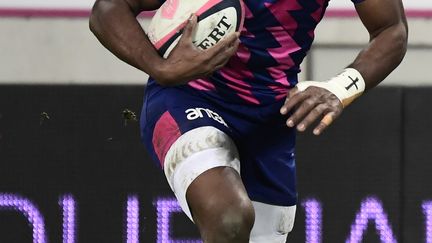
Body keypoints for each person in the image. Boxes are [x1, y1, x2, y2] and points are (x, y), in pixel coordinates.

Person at [89, 0, 408, 242]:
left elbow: (391, 30)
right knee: (229, 217)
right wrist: (161, 68)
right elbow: (108, 9)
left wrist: (340, 88)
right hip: (190, 97)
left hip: (270, 120)